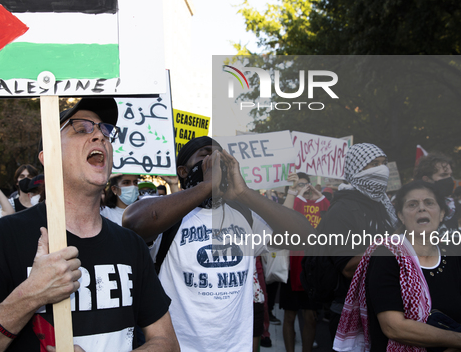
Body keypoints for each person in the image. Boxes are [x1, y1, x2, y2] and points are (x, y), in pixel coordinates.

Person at [0, 97, 178, 352]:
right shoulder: (1, 238)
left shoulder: (131, 245)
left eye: (105, 130)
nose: (100, 135)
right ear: (49, 155)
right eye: (82, 127)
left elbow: (166, 342)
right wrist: (30, 295)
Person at [122, 136, 314, 351]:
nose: (216, 161)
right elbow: (134, 222)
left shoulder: (245, 216)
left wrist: (243, 193)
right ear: (184, 172)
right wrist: (206, 186)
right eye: (206, 155)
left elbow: (304, 235)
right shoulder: (167, 214)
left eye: (220, 157)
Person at [334, 180, 461, 352]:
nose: (421, 208)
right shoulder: (387, 256)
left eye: (429, 202)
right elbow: (393, 327)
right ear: (401, 216)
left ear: (442, 214)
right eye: (412, 204)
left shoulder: (450, 253)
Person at [316, 143, 397, 341]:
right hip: (350, 308)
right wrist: (388, 246)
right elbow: (347, 267)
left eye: (383, 164)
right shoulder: (341, 209)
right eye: (373, 164)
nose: (382, 170)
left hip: (384, 304)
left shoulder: (383, 205)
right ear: (356, 168)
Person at [280, 172, 330, 352]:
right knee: (290, 316)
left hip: (312, 271)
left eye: (306, 184)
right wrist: (295, 193)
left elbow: (330, 214)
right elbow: (284, 215)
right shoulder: (293, 203)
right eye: (300, 184)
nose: (304, 187)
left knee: (310, 317)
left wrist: (320, 196)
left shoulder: (318, 206)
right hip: (292, 269)